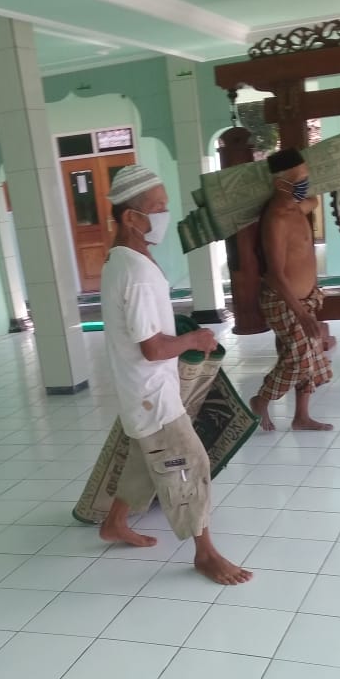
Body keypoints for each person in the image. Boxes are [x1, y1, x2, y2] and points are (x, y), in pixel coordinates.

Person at [98, 165, 252, 586]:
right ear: (131, 217)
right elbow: (152, 349)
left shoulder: (120, 260)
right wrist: (194, 340)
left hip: (140, 389)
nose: (165, 215)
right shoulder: (136, 273)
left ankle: (114, 523)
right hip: (150, 391)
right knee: (190, 461)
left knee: (144, 457)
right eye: (158, 207)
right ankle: (205, 553)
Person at [250, 147, 333, 432]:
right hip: (283, 301)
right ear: (279, 183)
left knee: (309, 351)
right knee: (298, 357)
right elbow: (275, 274)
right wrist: (301, 314)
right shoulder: (276, 219)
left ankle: (301, 417)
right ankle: (261, 400)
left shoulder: (296, 207)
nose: (304, 185)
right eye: (299, 180)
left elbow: (313, 200)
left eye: (306, 178)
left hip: (305, 299)